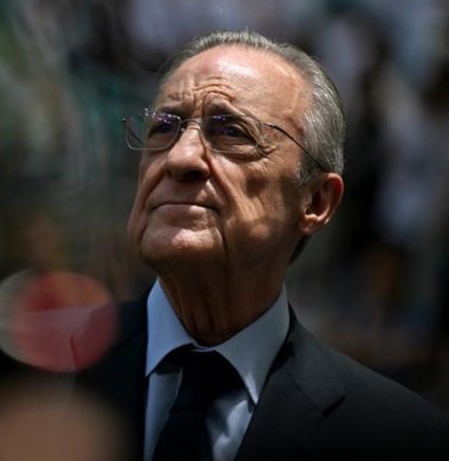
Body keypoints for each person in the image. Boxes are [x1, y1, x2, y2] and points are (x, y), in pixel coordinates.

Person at [73, 30, 449, 460]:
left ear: (315, 201)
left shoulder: (404, 441)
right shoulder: (31, 372)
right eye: (164, 127)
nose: (180, 159)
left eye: (231, 131)